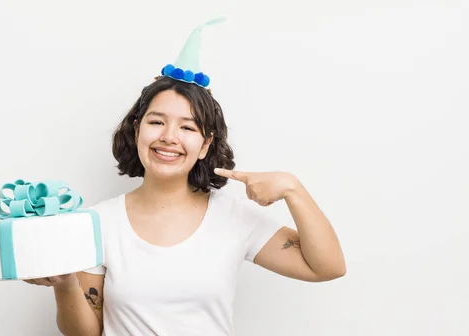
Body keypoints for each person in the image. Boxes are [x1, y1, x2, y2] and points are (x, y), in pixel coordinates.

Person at [24, 17, 346, 336]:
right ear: (137, 131)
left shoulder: (233, 217)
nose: (169, 137)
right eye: (156, 122)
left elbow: (327, 266)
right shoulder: (99, 222)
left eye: (187, 127)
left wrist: (293, 187)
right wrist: (65, 283)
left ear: (205, 144)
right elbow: (85, 333)